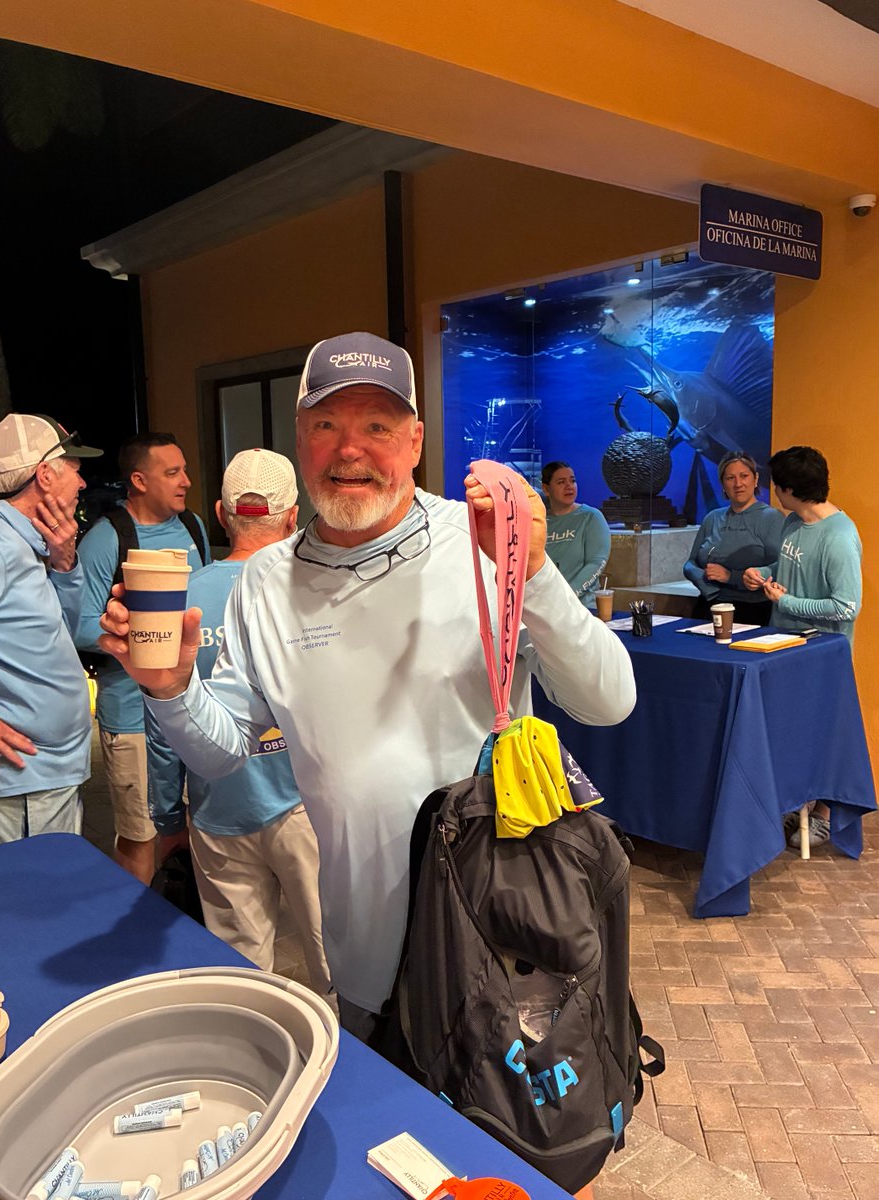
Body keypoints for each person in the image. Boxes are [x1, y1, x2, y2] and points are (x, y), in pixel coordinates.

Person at [98, 331, 635, 1042]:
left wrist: (531, 571)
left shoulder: (481, 542)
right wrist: (171, 690)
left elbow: (608, 700)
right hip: (360, 961)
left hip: (502, 943)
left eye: (377, 426)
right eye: (327, 425)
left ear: (414, 442)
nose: (349, 450)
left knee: (504, 1112)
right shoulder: (266, 582)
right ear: (300, 439)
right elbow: (223, 753)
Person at [146, 448, 332, 999]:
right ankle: (345, 1051)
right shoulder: (316, 594)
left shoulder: (182, 598)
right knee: (337, 961)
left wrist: (167, 816)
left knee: (241, 972)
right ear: (293, 516)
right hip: (308, 806)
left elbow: (163, 722)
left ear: (222, 515)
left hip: (217, 808)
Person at [76, 433, 210, 884]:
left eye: (184, 470)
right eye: (172, 473)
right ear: (139, 480)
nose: (186, 481)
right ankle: (137, 923)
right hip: (132, 716)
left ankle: (181, 915)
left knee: (190, 827)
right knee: (139, 836)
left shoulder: (192, 526)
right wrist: (144, 637)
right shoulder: (106, 539)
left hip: (190, 708)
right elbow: (77, 626)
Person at [0, 413, 102, 846]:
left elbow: (64, 634)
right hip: (19, 786)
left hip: (43, 781)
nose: (82, 483)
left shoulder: (26, 542)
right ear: (45, 475)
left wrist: (64, 565)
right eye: (75, 470)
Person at [743, 445, 862, 848]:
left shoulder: (839, 537)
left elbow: (846, 606)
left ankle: (824, 813)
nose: (773, 491)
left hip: (823, 655)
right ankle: (795, 804)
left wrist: (787, 602)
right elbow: (788, 566)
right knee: (787, 732)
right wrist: (763, 574)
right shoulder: (793, 522)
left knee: (822, 735)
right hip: (782, 646)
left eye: (776, 485)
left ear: (790, 490)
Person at [683, 451, 783, 624]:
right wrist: (707, 584)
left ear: (755, 479)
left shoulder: (772, 518)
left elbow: (782, 568)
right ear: (723, 483)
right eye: (730, 478)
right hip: (709, 607)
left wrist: (731, 577)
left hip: (752, 610)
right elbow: (690, 564)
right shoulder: (712, 518)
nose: (738, 484)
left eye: (744, 476)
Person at [540, 461, 611, 608]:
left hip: (581, 608)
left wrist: (567, 597)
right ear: (546, 489)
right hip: (544, 607)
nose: (569, 486)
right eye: (561, 482)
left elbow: (596, 563)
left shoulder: (591, 517)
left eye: (572, 481)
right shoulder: (539, 522)